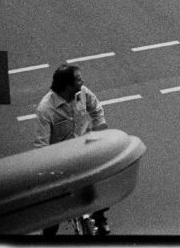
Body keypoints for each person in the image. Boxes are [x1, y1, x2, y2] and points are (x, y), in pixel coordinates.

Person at [35, 65, 111, 235]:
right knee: (56, 207)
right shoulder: (46, 109)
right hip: (60, 158)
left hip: (83, 148)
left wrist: (100, 132)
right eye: (78, 79)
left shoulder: (82, 93)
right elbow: (41, 144)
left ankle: (100, 217)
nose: (82, 81)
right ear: (67, 86)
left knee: (98, 181)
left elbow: (96, 109)